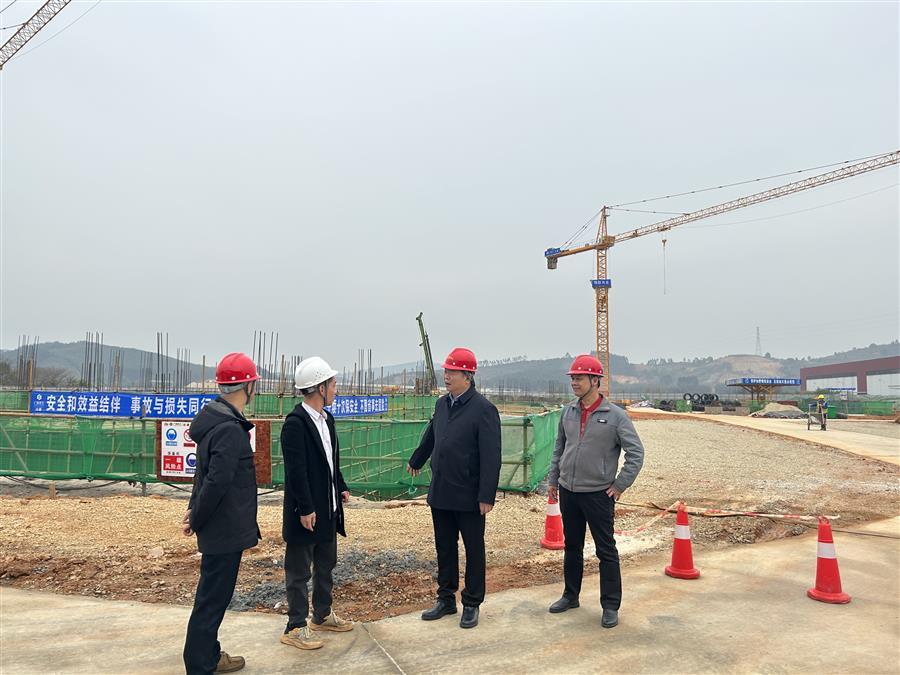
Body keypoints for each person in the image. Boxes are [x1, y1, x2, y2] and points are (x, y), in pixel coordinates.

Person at [406, 347, 501, 629]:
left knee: (473, 549)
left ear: (467, 376)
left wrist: (486, 495)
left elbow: (491, 456)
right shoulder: (442, 405)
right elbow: (432, 434)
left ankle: (471, 602)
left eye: (452, 372)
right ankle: (445, 598)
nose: (446, 376)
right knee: (444, 548)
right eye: (446, 371)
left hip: (469, 494)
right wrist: (417, 459)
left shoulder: (483, 409)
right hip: (442, 490)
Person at [547, 354, 644, 629]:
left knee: (605, 550)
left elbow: (636, 453)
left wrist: (620, 485)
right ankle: (570, 595)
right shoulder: (568, 412)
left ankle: (610, 605)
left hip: (598, 494)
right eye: (573, 378)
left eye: (579, 378)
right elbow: (559, 449)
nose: (574, 383)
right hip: (569, 491)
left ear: (595, 381)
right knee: (572, 546)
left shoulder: (616, 416)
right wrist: (553, 481)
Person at [182, 352, 261, 674]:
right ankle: (200, 664)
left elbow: (202, 476)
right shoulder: (229, 429)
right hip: (224, 528)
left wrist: (193, 510)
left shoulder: (216, 422)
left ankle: (209, 655)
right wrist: (196, 516)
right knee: (212, 600)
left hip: (219, 526)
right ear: (249, 385)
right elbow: (216, 482)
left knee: (212, 597)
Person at [279, 357, 353, 652]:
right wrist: (306, 508)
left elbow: (331, 461)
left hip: (328, 509)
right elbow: (296, 472)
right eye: (332, 384)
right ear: (320, 388)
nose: (336, 389)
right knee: (299, 571)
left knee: (325, 565)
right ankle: (295, 626)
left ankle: (321, 615)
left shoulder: (326, 420)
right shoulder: (295, 425)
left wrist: (341, 486)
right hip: (307, 513)